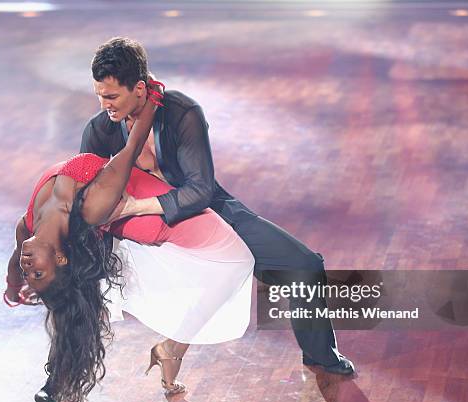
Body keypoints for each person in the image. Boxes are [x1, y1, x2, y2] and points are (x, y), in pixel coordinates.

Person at [80, 37, 354, 376]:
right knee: (75, 279)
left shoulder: (182, 113)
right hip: (142, 233)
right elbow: (84, 190)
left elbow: (200, 190)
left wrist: (137, 206)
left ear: (138, 88)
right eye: (99, 95)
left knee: (305, 265)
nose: (104, 104)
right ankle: (65, 374)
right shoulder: (100, 129)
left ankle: (320, 356)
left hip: (201, 212)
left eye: (111, 96)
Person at [4, 92, 255, 402]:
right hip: (134, 216)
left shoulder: (27, 227)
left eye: (32, 274)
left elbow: (16, 261)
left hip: (121, 208)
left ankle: (168, 349)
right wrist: (150, 97)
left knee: (66, 301)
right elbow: (131, 146)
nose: (28, 266)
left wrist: (14, 285)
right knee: (235, 259)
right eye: (36, 272)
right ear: (59, 257)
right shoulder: (94, 205)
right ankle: (61, 376)